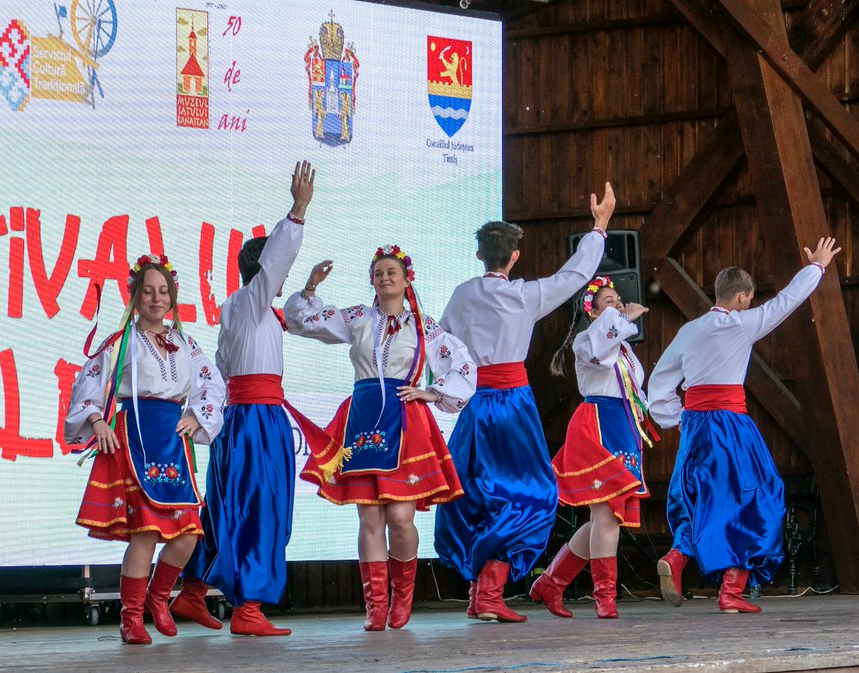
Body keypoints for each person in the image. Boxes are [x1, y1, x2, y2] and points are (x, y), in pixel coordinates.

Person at [434, 183, 615, 623]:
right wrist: (600, 227)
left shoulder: (461, 295)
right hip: (513, 405)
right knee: (531, 495)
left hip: (476, 405)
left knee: (476, 494)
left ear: (479, 255)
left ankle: (481, 593)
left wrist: (447, 393)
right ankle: (491, 593)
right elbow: (574, 276)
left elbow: (440, 345)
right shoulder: (522, 295)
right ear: (514, 257)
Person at [283, 245, 477, 631]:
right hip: (364, 417)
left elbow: (464, 365)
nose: (384, 278)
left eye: (391, 272)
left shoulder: (425, 327)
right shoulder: (358, 317)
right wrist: (309, 286)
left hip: (405, 420)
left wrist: (432, 392)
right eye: (378, 273)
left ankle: (403, 598)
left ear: (407, 280)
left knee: (402, 516)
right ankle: (375, 605)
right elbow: (302, 321)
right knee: (369, 515)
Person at [647, 238, 841, 614]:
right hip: (731, 425)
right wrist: (817, 266)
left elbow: (658, 385)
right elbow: (786, 301)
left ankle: (677, 557)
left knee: (698, 497)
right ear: (740, 297)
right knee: (762, 496)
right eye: (749, 299)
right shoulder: (740, 325)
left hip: (695, 425)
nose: (750, 304)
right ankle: (731, 591)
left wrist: (679, 417)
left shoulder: (689, 331)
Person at [174, 161, 317, 637]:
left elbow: (221, 366)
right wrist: (297, 210)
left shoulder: (243, 311)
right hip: (255, 419)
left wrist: (311, 290)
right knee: (262, 508)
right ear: (263, 276)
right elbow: (276, 261)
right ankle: (248, 610)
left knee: (224, 506)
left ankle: (193, 593)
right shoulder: (254, 302)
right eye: (273, 275)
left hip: (240, 418)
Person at [65, 255, 226, 645]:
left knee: (189, 532)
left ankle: (158, 598)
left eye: (163, 291)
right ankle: (131, 618)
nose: (156, 298)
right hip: (135, 437)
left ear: (172, 297)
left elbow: (213, 385)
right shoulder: (121, 342)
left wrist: (198, 415)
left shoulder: (185, 342)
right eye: (148, 291)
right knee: (146, 533)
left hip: (174, 441)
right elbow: (88, 381)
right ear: (135, 295)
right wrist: (97, 420)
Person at [529, 277, 652, 619]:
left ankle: (552, 582)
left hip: (622, 426)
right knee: (606, 515)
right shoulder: (587, 340)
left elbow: (635, 391)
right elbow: (600, 350)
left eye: (617, 299)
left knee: (606, 517)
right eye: (608, 301)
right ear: (593, 313)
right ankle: (605, 597)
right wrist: (623, 319)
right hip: (597, 425)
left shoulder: (624, 349)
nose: (616, 304)